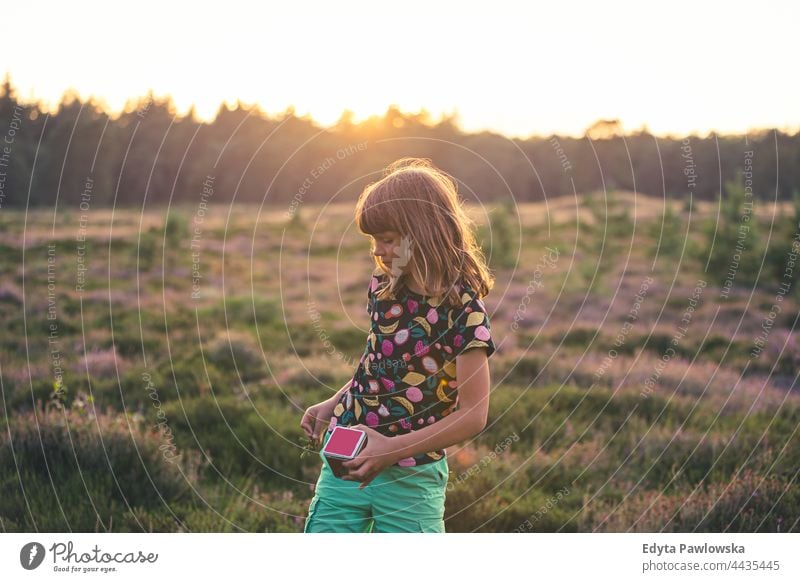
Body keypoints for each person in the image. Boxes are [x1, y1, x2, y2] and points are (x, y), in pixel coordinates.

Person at [300, 157, 497, 533]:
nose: (377, 251)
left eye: (387, 240)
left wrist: (391, 449)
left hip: (411, 478)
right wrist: (333, 403)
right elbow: (378, 364)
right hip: (347, 456)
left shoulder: (462, 312)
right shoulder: (385, 289)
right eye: (374, 241)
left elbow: (474, 414)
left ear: (422, 233)